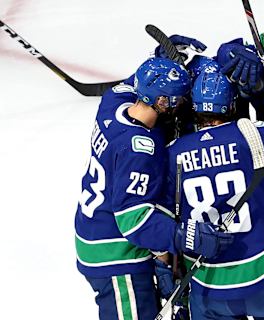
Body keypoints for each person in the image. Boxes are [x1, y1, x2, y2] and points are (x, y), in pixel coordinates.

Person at [158, 70, 264, 319]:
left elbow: (163, 218)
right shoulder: (255, 134)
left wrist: (164, 265)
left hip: (208, 287)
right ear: (232, 105)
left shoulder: (172, 153)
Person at [74, 57, 233, 320]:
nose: (183, 105)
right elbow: (134, 220)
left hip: (93, 232)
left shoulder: (112, 104)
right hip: (115, 255)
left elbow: (126, 84)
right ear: (162, 101)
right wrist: (186, 236)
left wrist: (163, 58)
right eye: (179, 99)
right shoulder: (139, 150)